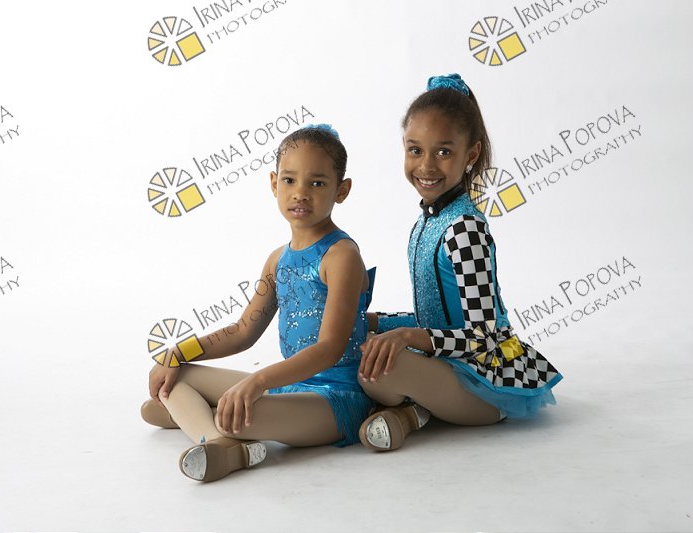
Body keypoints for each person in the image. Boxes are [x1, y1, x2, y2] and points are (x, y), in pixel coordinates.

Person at [141, 124, 375, 481]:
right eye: (290, 180)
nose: (301, 193)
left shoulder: (341, 255)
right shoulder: (277, 260)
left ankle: (206, 428)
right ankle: (220, 441)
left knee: (232, 414)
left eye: (317, 183)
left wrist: (258, 382)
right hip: (288, 388)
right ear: (273, 183)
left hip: (336, 398)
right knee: (176, 375)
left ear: (341, 190)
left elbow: (329, 349)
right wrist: (177, 352)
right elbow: (242, 332)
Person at [357, 73, 562, 452]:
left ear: (471, 155)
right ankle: (416, 413)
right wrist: (377, 322)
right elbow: (433, 317)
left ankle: (415, 409)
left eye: (443, 152)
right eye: (415, 150)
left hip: (486, 379)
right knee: (364, 343)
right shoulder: (427, 221)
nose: (426, 166)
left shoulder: (465, 229)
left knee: (380, 368)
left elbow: (484, 336)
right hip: (446, 362)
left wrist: (406, 337)